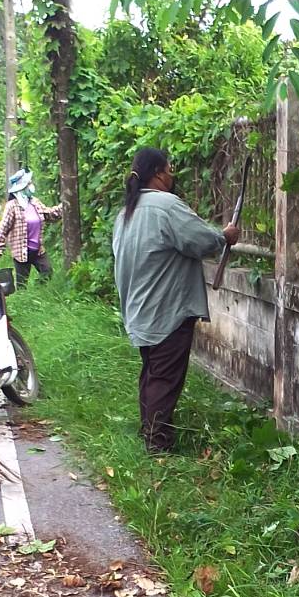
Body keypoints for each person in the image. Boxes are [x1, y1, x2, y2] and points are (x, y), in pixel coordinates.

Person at [112, 147, 239, 454]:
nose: (172, 176)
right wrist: (225, 236)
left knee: (153, 373)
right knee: (164, 379)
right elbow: (199, 240)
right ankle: (158, 445)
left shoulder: (127, 211)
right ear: (157, 173)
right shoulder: (165, 206)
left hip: (140, 308)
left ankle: (150, 432)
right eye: (169, 169)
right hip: (166, 309)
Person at [0, 169, 62, 289]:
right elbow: (3, 228)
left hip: (38, 249)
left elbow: (48, 214)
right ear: (22, 188)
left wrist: (63, 207)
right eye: (29, 184)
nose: (31, 186)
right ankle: (24, 302)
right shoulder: (12, 206)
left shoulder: (34, 202)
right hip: (21, 251)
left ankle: (39, 290)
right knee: (22, 284)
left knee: (47, 271)